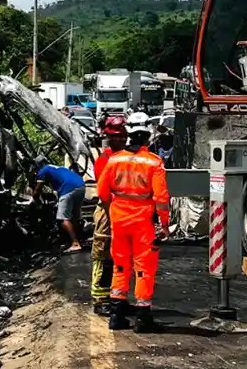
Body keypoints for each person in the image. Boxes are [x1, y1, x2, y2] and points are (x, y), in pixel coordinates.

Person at [97, 112, 170, 333]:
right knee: (144, 269)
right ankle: (143, 318)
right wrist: (164, 225)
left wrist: (115, 208)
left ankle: (116, 317)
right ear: (148, 136)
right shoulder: (154, 162)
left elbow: (102, 192)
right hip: (143, 223)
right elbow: (161, 198)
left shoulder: (114, 159)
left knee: (120, 266)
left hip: (118, 220)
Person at [90, 115, 128, 316]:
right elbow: (105, 193)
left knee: (121, 257)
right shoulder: (104, 160)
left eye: (123, 136)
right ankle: (100, 299)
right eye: (117, 137)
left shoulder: (126, 158)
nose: (121, 140)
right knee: (103, 254)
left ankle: (117, 297)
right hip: (108, 211)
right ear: (108, 137)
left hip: (124, 212)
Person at [35, 157, 87, 252]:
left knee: (63, 219)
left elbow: (37, 190)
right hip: (81, 186)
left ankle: (75, 243)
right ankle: (79, 239)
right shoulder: (59, 167)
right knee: (74, 217)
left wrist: (34, 199)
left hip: (68, 189)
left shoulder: (43, 170)